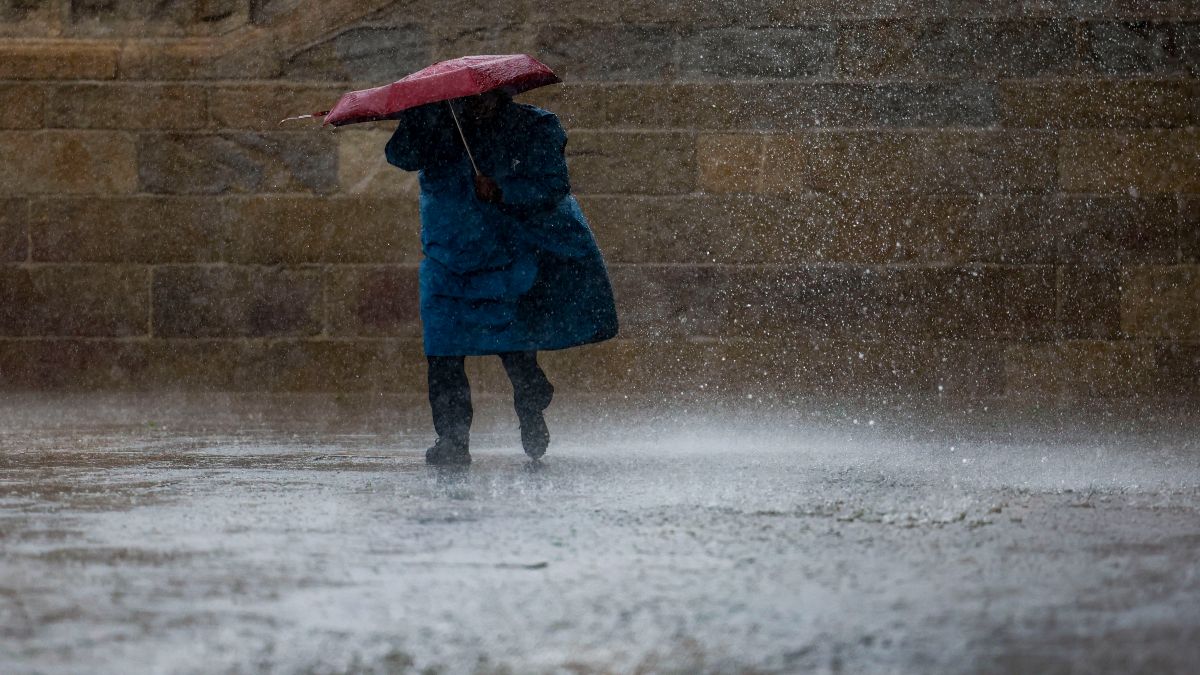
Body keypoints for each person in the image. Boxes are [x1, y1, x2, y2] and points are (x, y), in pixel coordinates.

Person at [384, 89, 618, 465]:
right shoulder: (436, 119)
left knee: (512, 342)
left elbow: (553, 185)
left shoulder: (535, 125)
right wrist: (424, 120)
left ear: (503, 93)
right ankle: (452, 439)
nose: (478, 106)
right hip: (447, 254)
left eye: (487, 99)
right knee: (443, 350)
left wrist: (503, 191)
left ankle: (530, 399)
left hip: (504, 252)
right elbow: (400, 155)